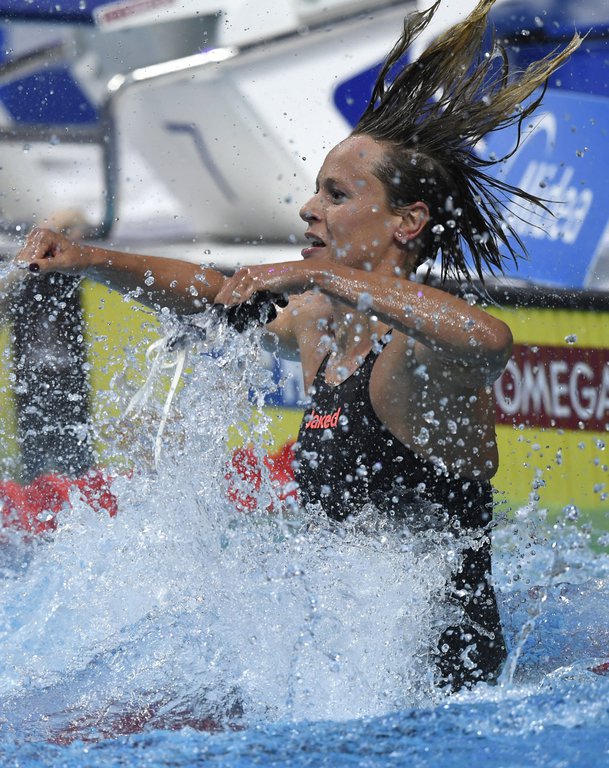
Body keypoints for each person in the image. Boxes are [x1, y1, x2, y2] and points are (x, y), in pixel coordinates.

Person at [14, 0, 579, 691]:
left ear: (408, 222)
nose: (309, 208)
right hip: (346, 676)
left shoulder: (416, 354)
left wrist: (318, 271)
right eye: (314, 190)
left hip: (442, 694)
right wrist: (91, 258)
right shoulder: (317, 322)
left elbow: (488, 337)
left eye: (336, 194)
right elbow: (214, 292)